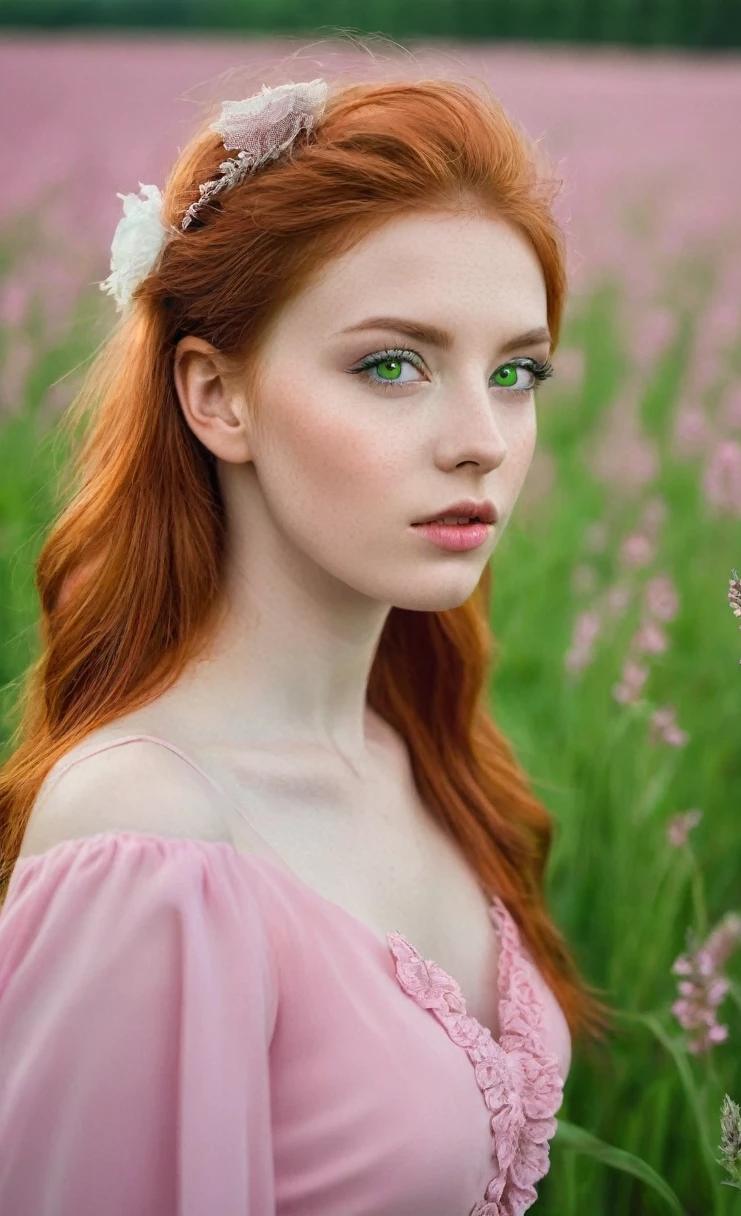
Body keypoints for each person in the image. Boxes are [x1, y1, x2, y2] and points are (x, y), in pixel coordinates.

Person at [0, 68, 607, 1215]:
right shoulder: (150, 832)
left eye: (515, 371)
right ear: (215, 395)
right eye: (393, 364)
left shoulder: (418, 755)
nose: (482, 439)